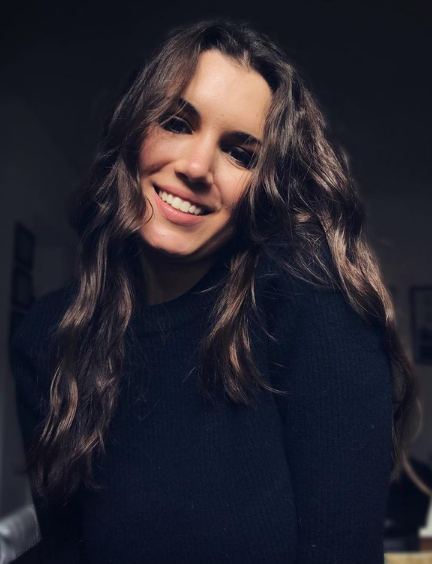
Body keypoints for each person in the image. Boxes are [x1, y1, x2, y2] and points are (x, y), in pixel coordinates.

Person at [9, 17, 419, 564]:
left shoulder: (307, 294)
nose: (197, 167)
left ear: (265, 187)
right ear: (132, 131)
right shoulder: (49, 335)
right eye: (177, 122)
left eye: (241, 153)